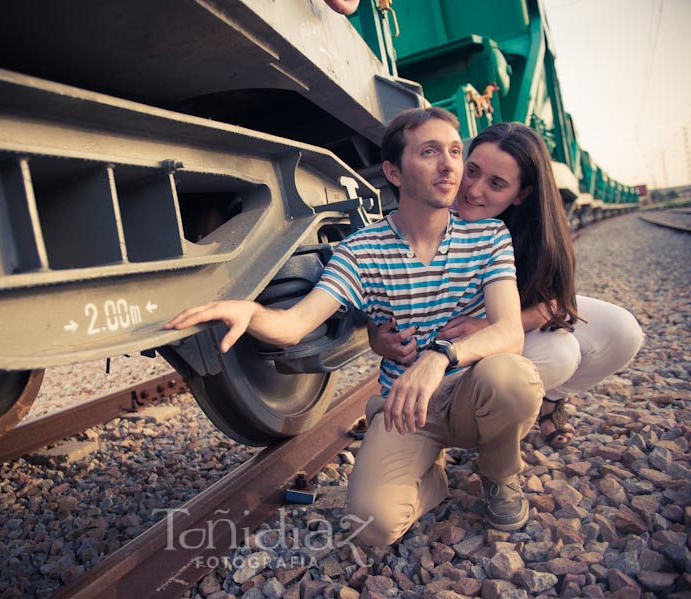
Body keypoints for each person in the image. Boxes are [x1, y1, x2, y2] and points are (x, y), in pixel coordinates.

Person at [165, 107, 544, 544]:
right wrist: (252, 313)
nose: (449, 165)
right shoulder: (361, 251)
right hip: (407, 410)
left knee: (510, 375)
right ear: (393, 172)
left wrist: (439, 357)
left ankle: (500, 477)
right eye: (429, 152)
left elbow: (509, 332)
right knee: (374, 526)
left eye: (455, 152)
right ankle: (432, 480)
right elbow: (295, 324)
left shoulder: (489, 236)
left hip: (469, 391)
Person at [368, 122, 644, 449]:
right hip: (447, 341)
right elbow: (383, 292)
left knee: (622, 330)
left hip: (502, 323)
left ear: (522, 194)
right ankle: (463, 413)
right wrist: (378, 337)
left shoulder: (537, 230)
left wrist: (489, 325)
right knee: (559, 353)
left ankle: (547, 401)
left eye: (496, 183)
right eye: (472, 171)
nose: (473, 189)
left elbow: (556, 303)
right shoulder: (431, 204)